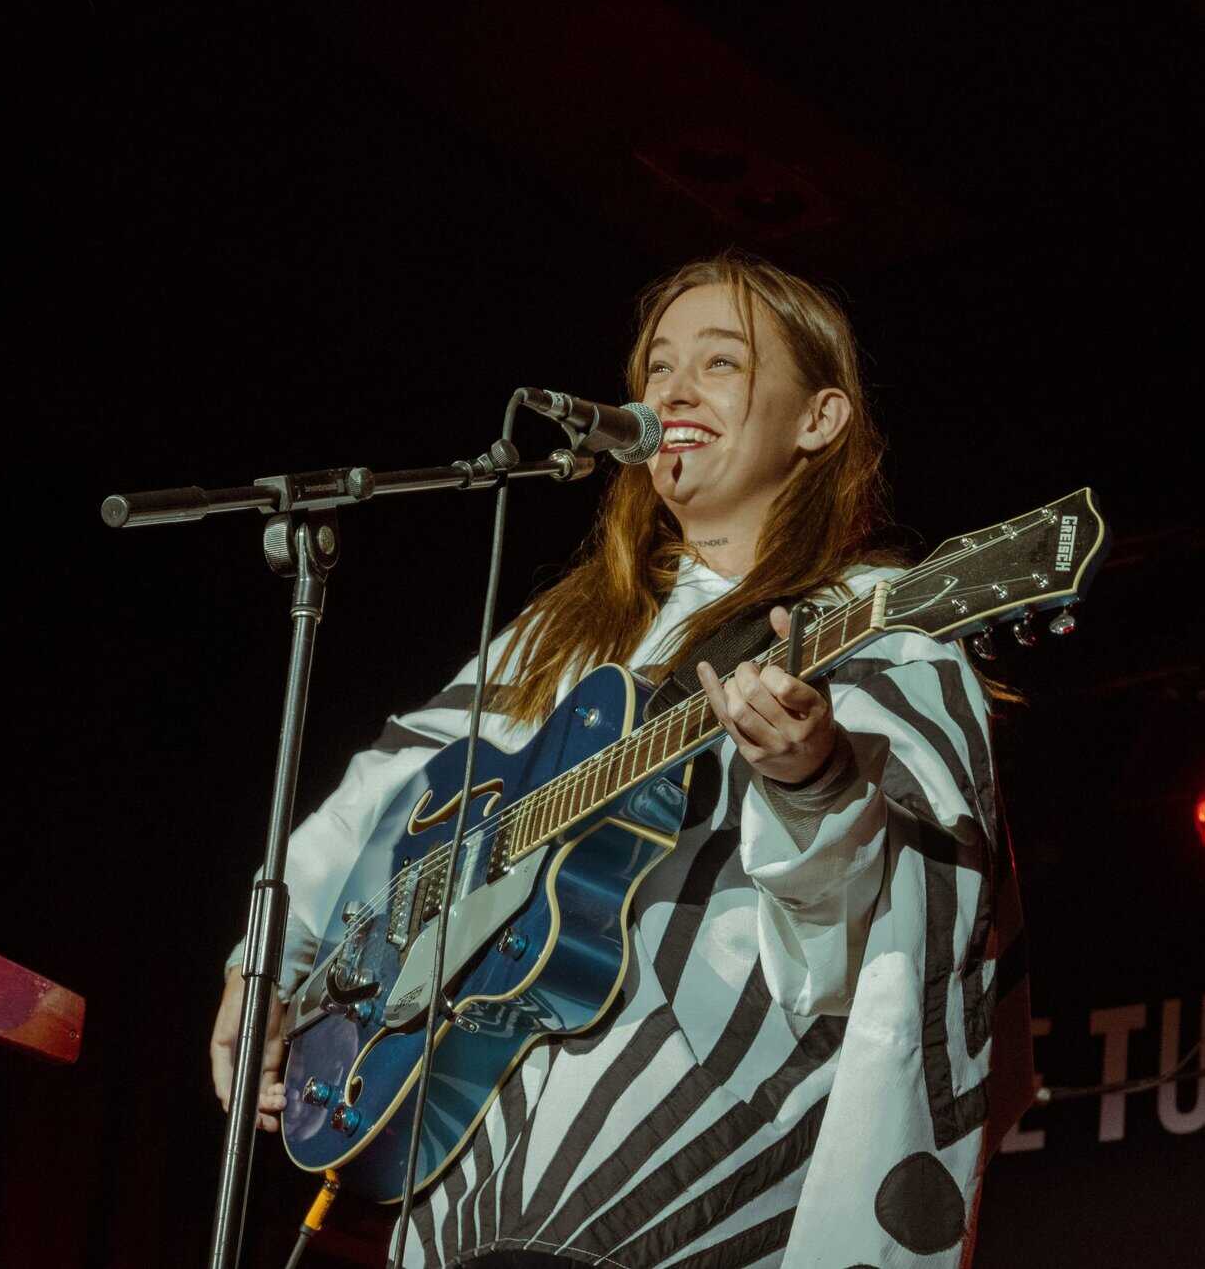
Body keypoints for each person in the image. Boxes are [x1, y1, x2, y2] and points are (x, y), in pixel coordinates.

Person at [210, 251, 1032, 1268]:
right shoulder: (563, 633)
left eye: (720, 363)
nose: (672, 392)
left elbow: (896, 934)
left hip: (697, 1179)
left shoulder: (878, 628)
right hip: (478, 1174)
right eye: (658, 367)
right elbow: (384, 792)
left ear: (819, 419)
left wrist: (814, 784)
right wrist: (268, 959)